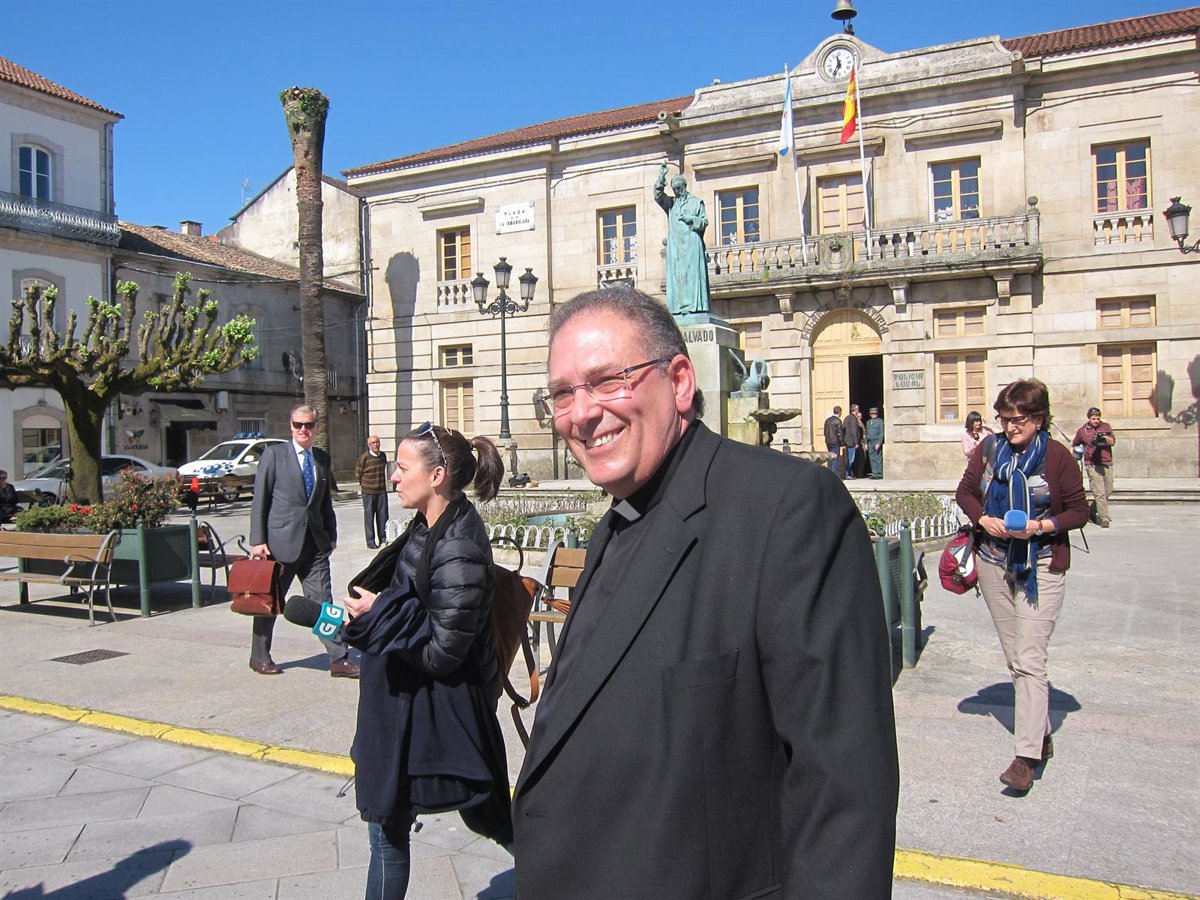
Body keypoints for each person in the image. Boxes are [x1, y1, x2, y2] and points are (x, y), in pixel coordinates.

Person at [513, 287, 898, 898]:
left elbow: (842, 788)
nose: (581, 413)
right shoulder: (617, 521)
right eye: (562, 393)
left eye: (608, 381)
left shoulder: (786, 509)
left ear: (680, 382)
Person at [341, 423, 511, 899]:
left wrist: (381, 614)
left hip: (436, 709)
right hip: (405, 704)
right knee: (389, 826)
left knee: (468, 820)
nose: (393, 477)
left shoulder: (458, 545)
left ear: (437, 476)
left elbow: (443, 651)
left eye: (402, 468)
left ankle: (560, 879)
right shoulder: (428, 526)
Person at [955, 379, 1088, 794]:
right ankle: (1041, 734)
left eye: (1019, 419)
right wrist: (982, 518)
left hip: (1040, 564)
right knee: (1016, 657)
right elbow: (965, 492)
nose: (1010, 427)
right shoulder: (990, 449)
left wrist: (1041, 526)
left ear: (1039, 418)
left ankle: (1025, 758)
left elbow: (1079, 511)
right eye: (1005, 418)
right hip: (993, 562)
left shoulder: (1056, 456)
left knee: (1030, 659)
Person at [248, 405, 358, 678]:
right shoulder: (274, 456)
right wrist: (258, 541)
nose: (303, 430)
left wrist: (331, 535)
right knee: (270, 603)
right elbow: (260, 500)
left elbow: (324, 503)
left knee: (324, 603)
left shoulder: (321, 458)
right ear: (291, 426)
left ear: (316, 427)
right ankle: (259, 656)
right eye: (298, 425)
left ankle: (338, 658)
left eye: (308, 425)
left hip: (315, 546)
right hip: (279, 545)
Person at [653, 164, 710, 315]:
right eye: (674, 189)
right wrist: (661, 177)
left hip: (692, 244)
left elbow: (704, 221)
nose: (677, 191)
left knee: (693, 277)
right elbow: (658, 196)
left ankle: (695, 307)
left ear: (685, 186)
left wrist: (692, 219)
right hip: (676, 246)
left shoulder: (696, 202)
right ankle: (678, 309)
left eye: (679, 188)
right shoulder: (671, 204)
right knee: (677, 279)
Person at [1072, 407, 1116, 528]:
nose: (1096, 421)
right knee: (1099, 492)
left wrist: (1104, 438)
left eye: (1097, 418)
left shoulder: (1105, 427)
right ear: (1089, 418)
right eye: (1093, 419)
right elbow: (1075, 444)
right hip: (1091, 463)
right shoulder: (1082, 431)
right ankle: (1104, 518)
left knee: (1108, 490)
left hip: (1106, 462)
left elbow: (1112, 441)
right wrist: (1074, 457)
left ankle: (1091, 511)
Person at [355, 435, 390, 549]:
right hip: (368, 492)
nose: (375, 445)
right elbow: (358, 473)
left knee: (383, 516)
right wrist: (366, 485)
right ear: (369, 445)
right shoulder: (364, 457)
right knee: (369, 517)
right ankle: (370, 541)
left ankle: (383, 538)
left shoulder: (383, 456)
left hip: (381, 491)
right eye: (373, 443)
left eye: (377, 442)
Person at [843, 403, 863, 479]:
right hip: (851, 442)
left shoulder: (847, 418)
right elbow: (854, 431)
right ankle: (848, 474)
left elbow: (844, 429)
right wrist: (856, 442)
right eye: (858, 409)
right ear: (856, 410)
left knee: (849, 458)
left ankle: (850, 473)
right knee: (851, 459)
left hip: (847, 441)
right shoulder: (853, 419)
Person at [823, 405, 845, 475]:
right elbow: (840, 434)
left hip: (828, 441)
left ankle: (828, 474)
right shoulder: (838, 421)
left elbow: (825, 432)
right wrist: (842, 443)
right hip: (835, 442)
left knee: (829, 458)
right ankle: (834, 475)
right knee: (835, 458)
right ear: (840, 412)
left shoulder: (827, 420)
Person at [866, 406, 885, 478]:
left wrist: (879, 443)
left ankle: (879, 473)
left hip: (876, 442)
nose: (873, 415)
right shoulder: (868, 422)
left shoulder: (880, 422)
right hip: (870, 443)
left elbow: (881, 433)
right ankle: (874, 473)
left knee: (878, 458)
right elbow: (866, 433)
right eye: (872, 414)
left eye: (875, 413)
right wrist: (866, 443)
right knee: (872, 458)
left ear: (877, 414)